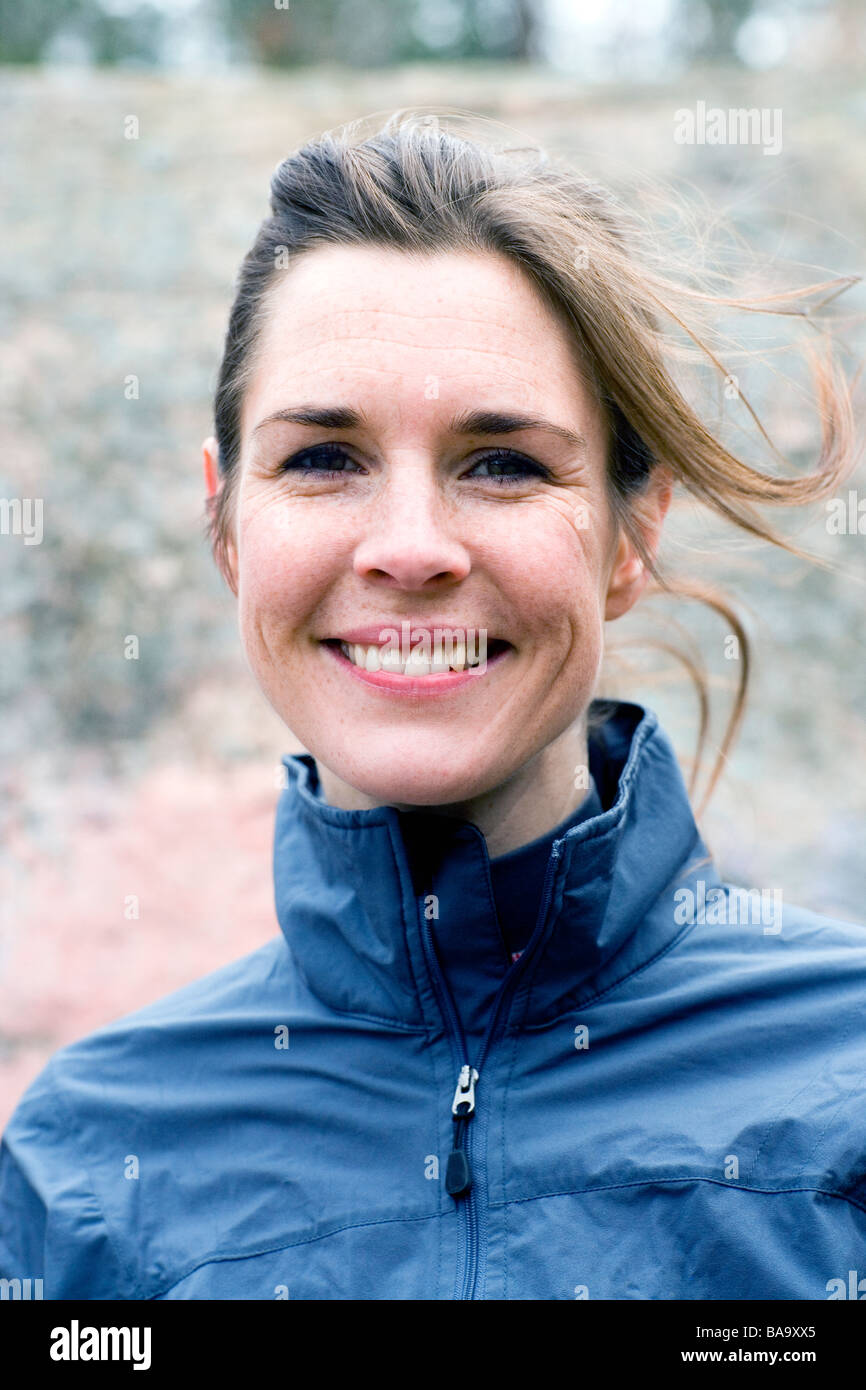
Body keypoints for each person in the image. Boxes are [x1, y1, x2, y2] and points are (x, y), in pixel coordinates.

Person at [1, 110, 864, 1302]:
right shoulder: (80, 1170)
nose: (410, 549)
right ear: (225, 526)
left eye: (502, 462)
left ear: (632, 534)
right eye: (321, 458)